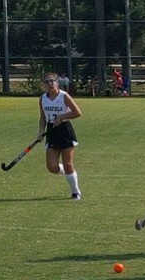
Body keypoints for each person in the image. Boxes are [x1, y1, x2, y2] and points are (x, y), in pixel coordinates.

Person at [37, 72, 83, 200]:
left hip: (64, 130)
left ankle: (75, 192)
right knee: (52, 167)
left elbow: (77, 112)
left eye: (52, 81)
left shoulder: (64, 96)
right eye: (47, 82)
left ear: (57, 83)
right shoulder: (43, 99)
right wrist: (40, 132)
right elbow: (42, 117)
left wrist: (62, 116)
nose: (50, 84)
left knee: (68, 163)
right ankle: (70, 172)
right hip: (51, 131)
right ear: (44, 85)